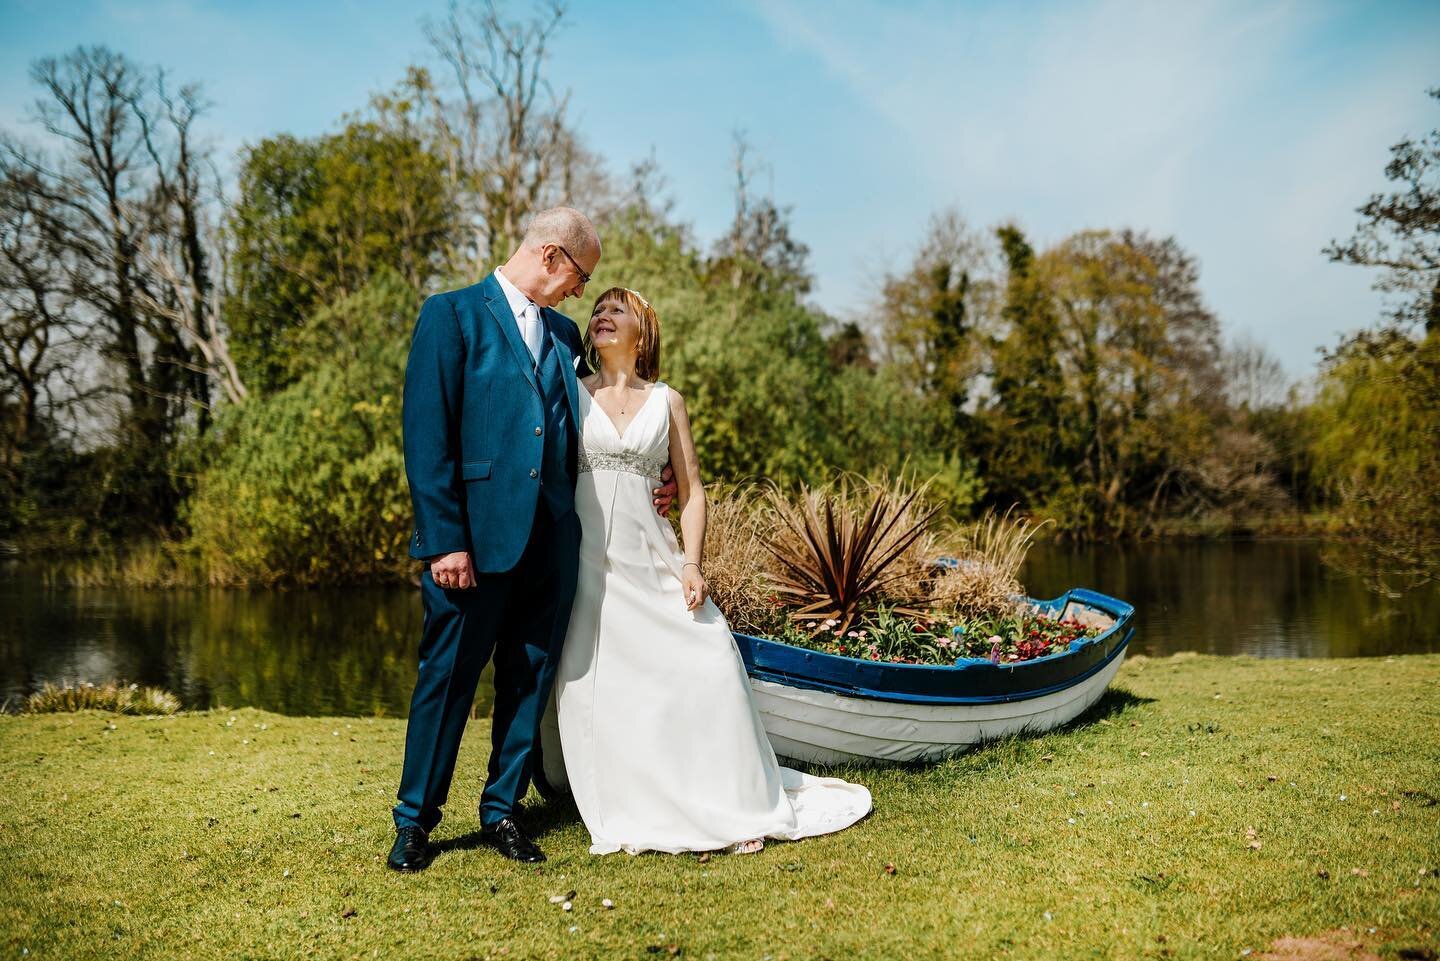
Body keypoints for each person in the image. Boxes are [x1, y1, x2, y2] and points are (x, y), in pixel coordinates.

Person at [388, 207, 677, 871]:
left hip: (552, 542)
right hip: (473, 545)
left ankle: (502, 809)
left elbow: (604, 407)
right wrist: (444, 540)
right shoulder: (451, 315)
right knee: (448, 680)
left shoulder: (563, 330)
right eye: (581, 275)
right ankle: (415, 822)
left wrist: (659, 472)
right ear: (551, 256)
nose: (581, 291)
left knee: (527, 682)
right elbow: (427, 437)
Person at [538, 286, 872, 855]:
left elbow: (691, 492)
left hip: (653, 559)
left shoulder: (668, 400)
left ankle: (728, 798)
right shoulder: (570, 392)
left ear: (643, 331)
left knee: (710, 657)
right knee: (609, 684)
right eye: (598, 309)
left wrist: (692, 564)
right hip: (587, 566)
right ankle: (632, 798)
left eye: (616, 309)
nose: (601, 316)